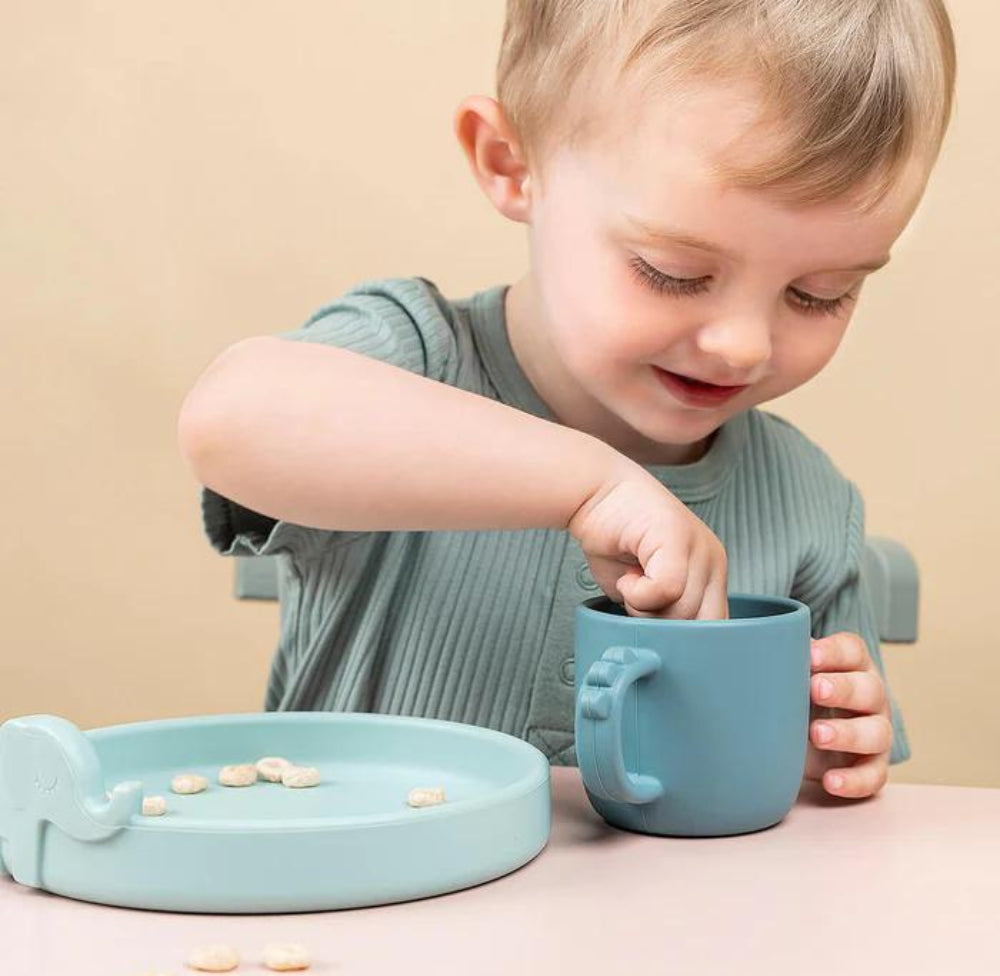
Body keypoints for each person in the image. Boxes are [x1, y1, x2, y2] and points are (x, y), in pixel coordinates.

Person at [178, 0, 956, 800]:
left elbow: (819, 818)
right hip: (362, 877)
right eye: (674, 272)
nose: (743, 345)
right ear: (512, 165)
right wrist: (589, 485)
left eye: (821, 293)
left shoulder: (809, 504)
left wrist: (821, 754)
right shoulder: (415, 361)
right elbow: (228, 416)